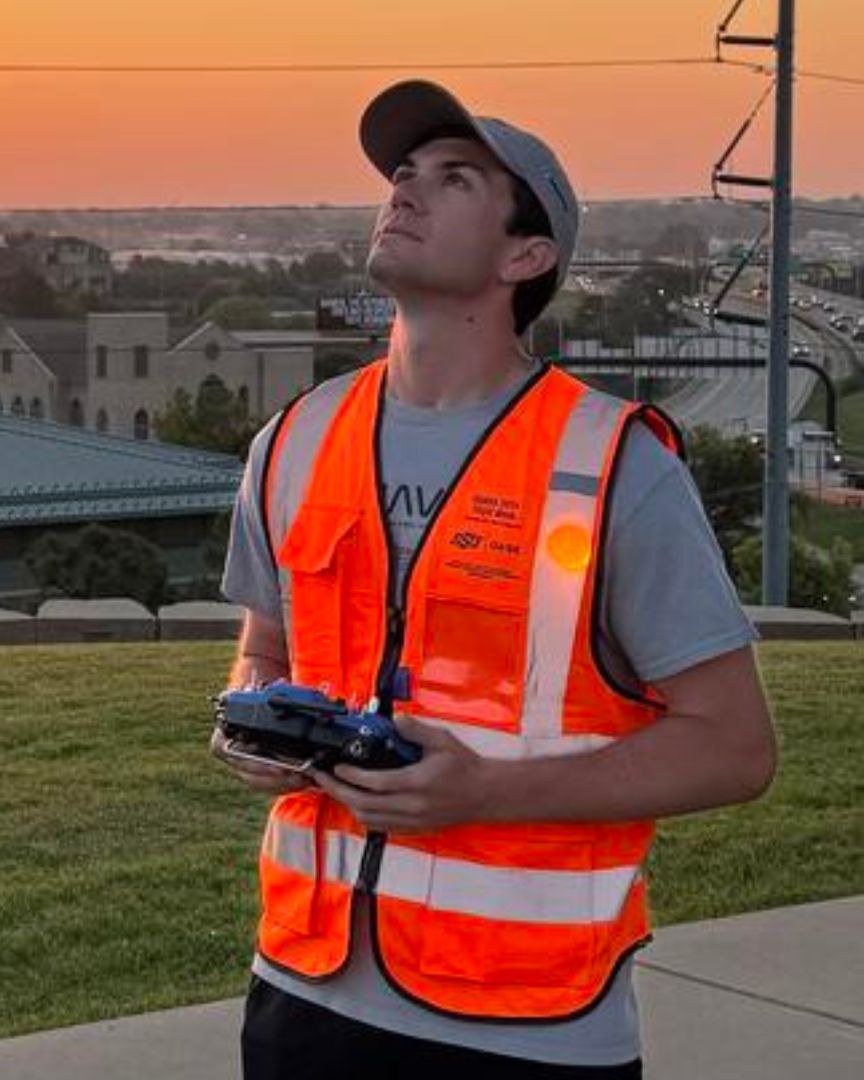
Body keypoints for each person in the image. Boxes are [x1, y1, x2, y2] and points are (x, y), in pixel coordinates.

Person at [213, 79, 777, 1078]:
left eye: (454, 178)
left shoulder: (613, 466)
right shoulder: (295, 441)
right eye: (402, 174)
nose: (405, 191)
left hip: (526, 1029)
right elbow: (267, 650)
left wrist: (486, 791)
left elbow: (735, 750)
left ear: (527, 256)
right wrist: (255, 721)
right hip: (303, 996)